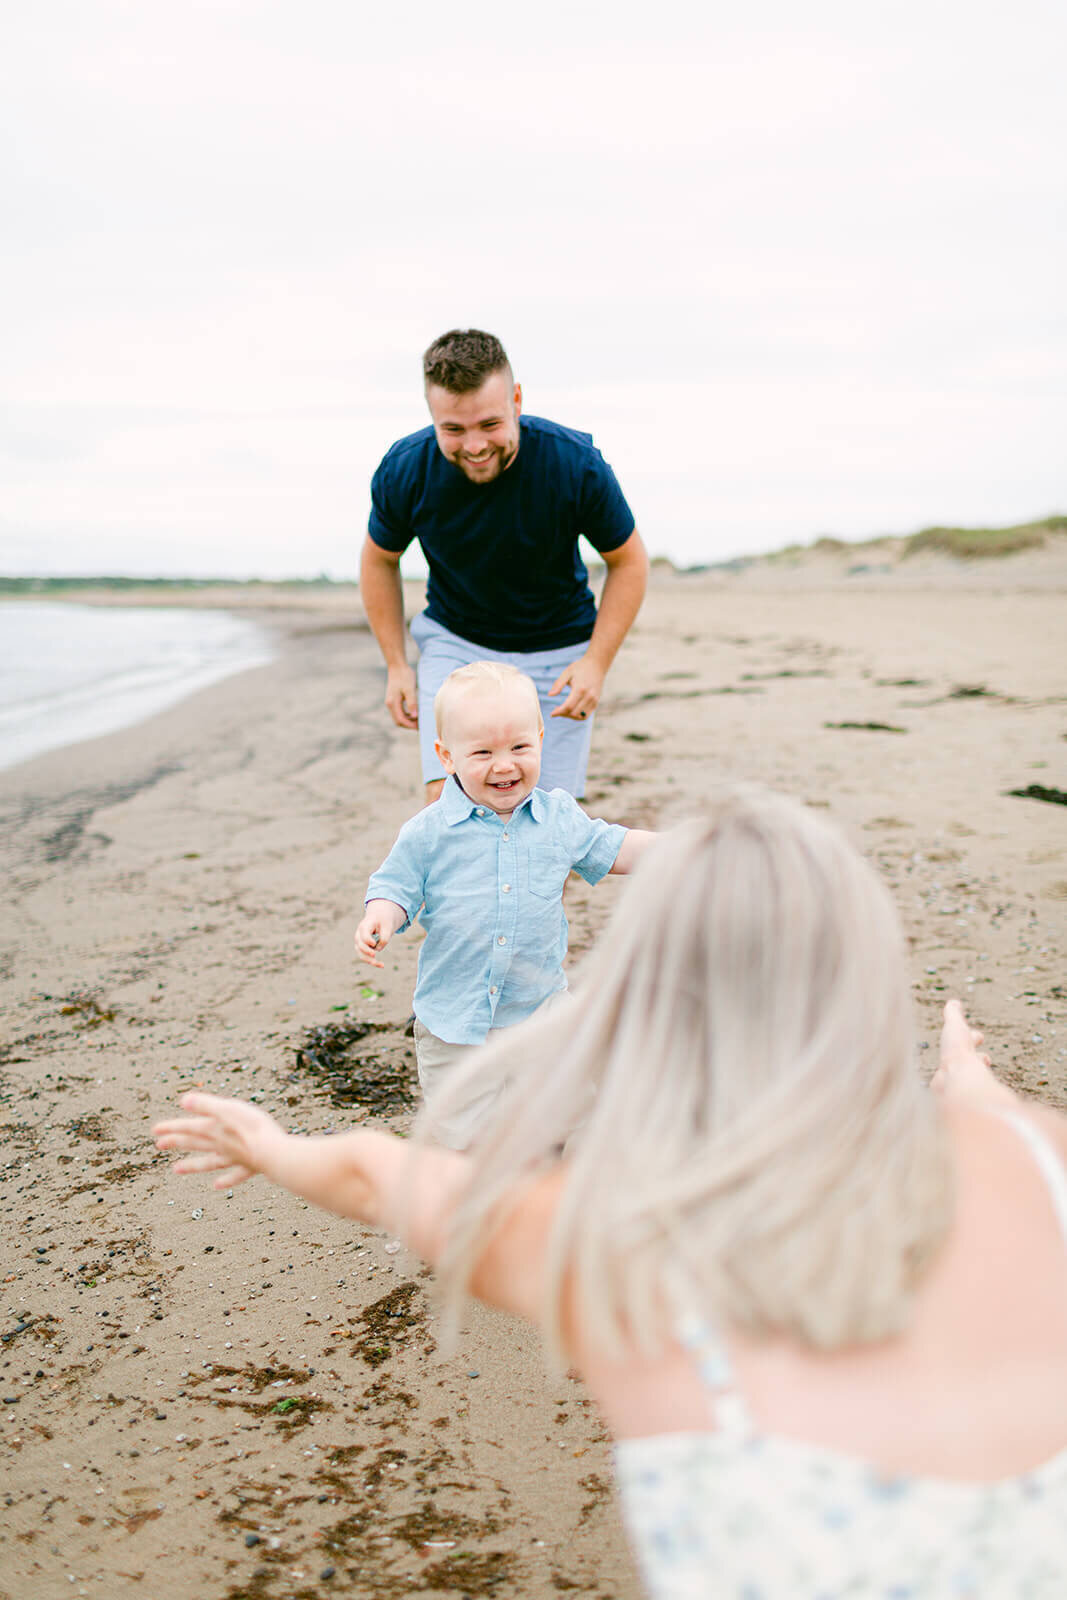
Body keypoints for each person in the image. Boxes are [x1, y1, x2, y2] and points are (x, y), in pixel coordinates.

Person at [154, 787, 1067, 1597]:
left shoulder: (615, 1251)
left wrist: (271, 1149)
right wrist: (966, 1085)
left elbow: (368, 1170)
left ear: (645, 993)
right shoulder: (1037, 1154)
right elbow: (997, 1121)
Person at [354, 660, 656, 1147]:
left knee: (571, 1116)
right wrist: (382, 915)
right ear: (446, 756)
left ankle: (560, 1201)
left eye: (520, 746)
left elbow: (613, 847)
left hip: (542, 1009)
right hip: (455, 1019)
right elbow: (396, 885)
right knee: (461, 1135)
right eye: (482, 752)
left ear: (540, 738)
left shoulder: (557, 817)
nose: (504, 764)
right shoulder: (428, 832)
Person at [360, 328, 649, 802]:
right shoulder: (406, 469)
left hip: (558, 652)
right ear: (432, 414)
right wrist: (396, 665)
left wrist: (596, 663)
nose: (473, 446)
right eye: (453, 429)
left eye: (489, 425)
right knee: (449, 806)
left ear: (516, 400)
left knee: (545, 823)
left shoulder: (574, 463)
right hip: (456, 641)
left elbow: (629, 562)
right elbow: (378, 559)